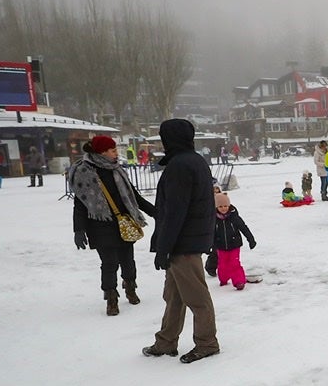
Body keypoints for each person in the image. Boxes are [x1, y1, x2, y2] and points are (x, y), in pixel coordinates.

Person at [142, 119, 219, 364]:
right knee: (174, 296)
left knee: (196, 297)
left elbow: (175, 211)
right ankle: (166, 341)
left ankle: (207, 343)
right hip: (185, 240)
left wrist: (164, 248)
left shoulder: (180, 165)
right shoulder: (193, 160)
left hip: (183, 243)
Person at [69, 135, 157, 316]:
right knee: (109, 263)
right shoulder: (84, 172)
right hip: (100, 225)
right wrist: (79, 230)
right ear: (102, 152)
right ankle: (111, 298)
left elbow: (134, 196)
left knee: (128, 260)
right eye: (113, 150)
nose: (117, 153)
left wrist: (156, 212)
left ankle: (130, 286)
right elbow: (80, 204)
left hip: (123, 222)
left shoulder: (117, 170)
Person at [212, 191, 257, 289]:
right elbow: (210, 233)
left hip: (234, 245)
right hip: (221, 246)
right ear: (216, 207)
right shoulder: (213, 219)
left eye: (225, 206)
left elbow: (244, 228)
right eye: (220, 206)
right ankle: (223, 279)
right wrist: (209, 245)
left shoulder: (234, 217)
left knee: (234, 263)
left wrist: (251, 240)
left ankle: (239, 281)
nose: (223, 208)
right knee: (222, 264)